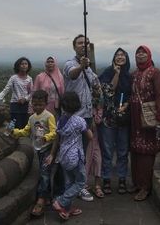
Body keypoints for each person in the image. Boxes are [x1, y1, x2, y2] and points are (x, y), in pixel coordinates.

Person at [63, 34, 100, 201]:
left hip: (87, 115)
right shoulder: (69, 64)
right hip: (73, 116)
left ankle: (80, 185)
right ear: (74, 46)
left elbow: (94, 83)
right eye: (79, 43)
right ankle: (72, 185)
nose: (83, 45)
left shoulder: (90, 67)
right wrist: (81, 67)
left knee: (83, 152)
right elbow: (72, 74)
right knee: (71, 152)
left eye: (85, 43)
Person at [129, 45, 160, 201]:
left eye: (143, 52)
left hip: (149, 118)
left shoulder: (155, 73)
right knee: (136, 150)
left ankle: (146, 187)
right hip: (134, 116)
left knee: (147, 151)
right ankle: (137, 183)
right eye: (138, 52)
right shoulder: (134, 74)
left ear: (149, 55)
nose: (140, 54)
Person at [11, 90, 56, 217]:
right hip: (37, 150)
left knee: (45, 174)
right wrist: (14, 132)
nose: (38, 107)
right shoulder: (31, 118)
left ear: (46, 104)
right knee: (42, 174)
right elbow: (26, 131)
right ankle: (45, 196)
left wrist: (46, 137)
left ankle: (41, 200)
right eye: (35, 104)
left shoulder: (49, 116)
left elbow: (54, 132)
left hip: (46, 149)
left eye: (40, 104)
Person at [50, 91, 93, 220]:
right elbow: (90, 136)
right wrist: (89, 127)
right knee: (80, 182)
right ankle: (61, 202)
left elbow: (57, 138)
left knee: (68, 183)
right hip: (75, 156)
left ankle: (66, 210)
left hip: (63, 156)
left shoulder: (60, 120)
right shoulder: (79, 121)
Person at [97, 48, 132, 195]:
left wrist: (126, 105)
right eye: (117, 55)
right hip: (108, 118)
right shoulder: (107, 73)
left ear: (126, 58)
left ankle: (122, 179)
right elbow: (108, 90)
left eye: (122, 55)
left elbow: (133, 95)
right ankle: (106, 179)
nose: (120, 56)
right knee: (107, 150)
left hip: (123, 118)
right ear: (113, 58)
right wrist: (116, 73)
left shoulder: (130, 76)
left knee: (123, 151)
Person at [0, 57, 33, 129]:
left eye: (26, 64)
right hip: (15, 104)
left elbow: (31, 92)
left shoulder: (29, 79)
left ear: (28, 66)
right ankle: (11, 138)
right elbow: (6, 89)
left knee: (24, 125)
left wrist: (25, 99)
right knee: (14, 124)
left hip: (25, 105)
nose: (24, 65)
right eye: (22, 64)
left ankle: (21, 139)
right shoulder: (14, 78)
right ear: (18, 66)